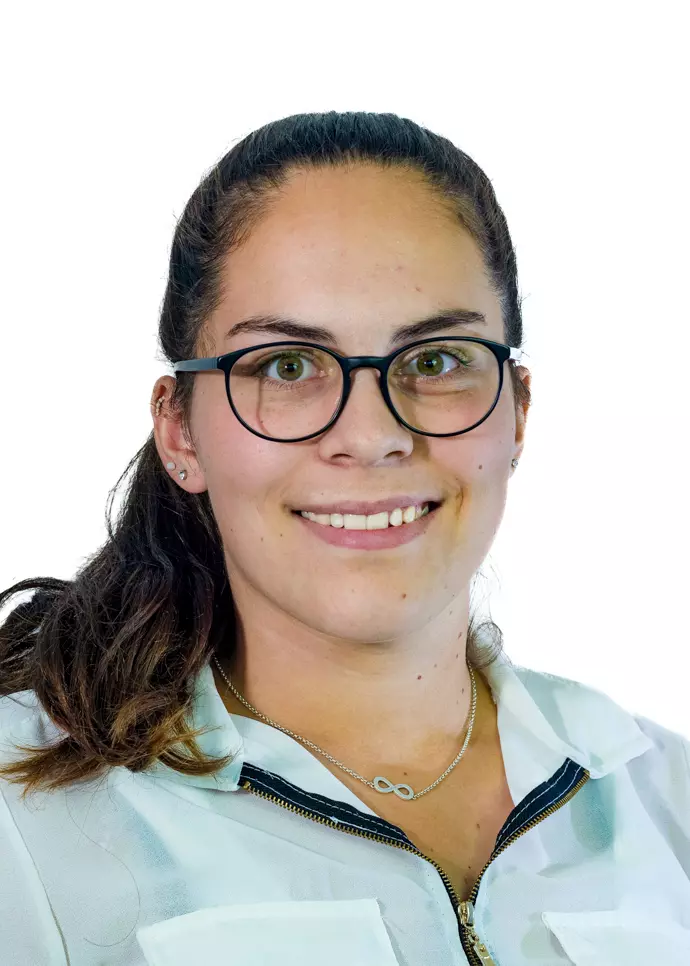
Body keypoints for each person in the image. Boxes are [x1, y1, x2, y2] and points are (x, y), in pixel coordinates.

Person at [0, 111, 688, 966]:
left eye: (435, 360)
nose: (371, 436)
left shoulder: (667, 801)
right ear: (181, 433)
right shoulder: (19, 820)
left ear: (517, 412)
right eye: (287, 366)